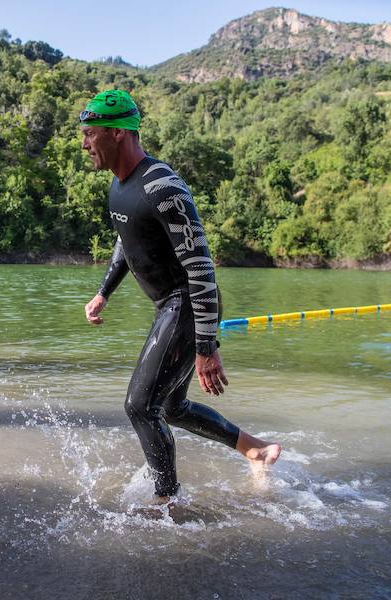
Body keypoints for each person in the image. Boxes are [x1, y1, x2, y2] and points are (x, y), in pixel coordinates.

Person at [79, 90, 280, 505]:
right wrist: (104, 292)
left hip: (188, 302)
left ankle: (166, 503)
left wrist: (207, 346)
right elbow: (126, 242)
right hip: (170, 305)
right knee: (170, 407)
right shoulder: (120, 187)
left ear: (117, 133)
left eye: (90, 134)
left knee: (140, 406)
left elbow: (201, 268)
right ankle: (256, 450)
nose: (84, 144)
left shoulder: (162, 187)